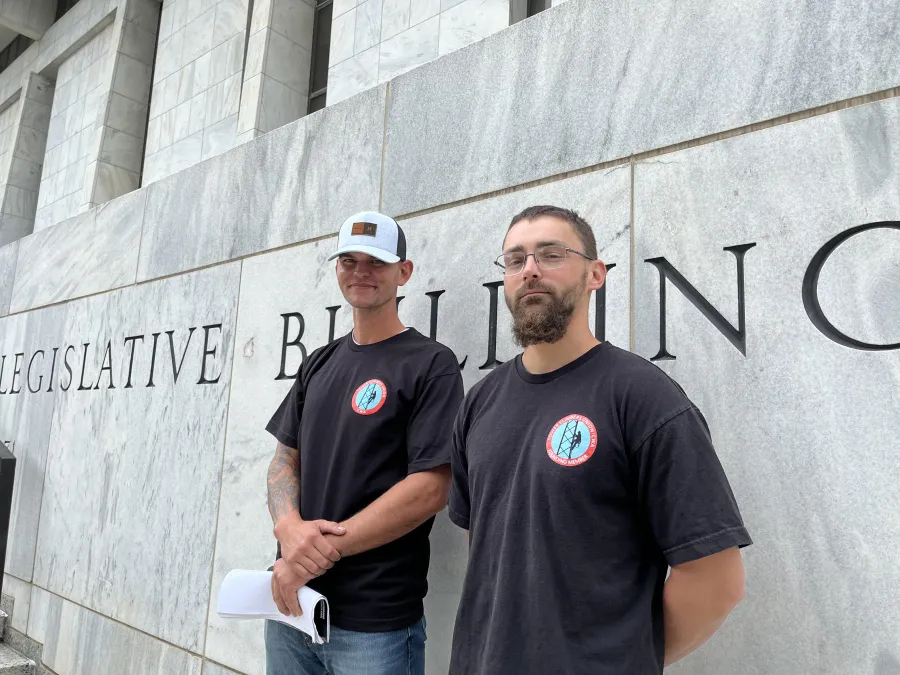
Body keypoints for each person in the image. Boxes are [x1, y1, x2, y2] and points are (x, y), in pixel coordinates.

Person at [448, 205, 752, 674]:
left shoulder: (642, 396)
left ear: (595, 274)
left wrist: (617, 660)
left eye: (550, 254)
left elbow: (716, 578)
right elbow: (485, 547)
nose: (530, 270)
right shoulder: (479, 403)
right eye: (515, 259)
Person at [265, 211, 464, 675]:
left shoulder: (431, 364)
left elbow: (432, 487)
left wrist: (313, 555)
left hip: (375, 624)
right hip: (291, 605)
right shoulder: (319, 362)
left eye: (376, 262)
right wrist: (289, 530)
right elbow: (283, 459)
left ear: (404, 271)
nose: (361, 273)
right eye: (349, 261)